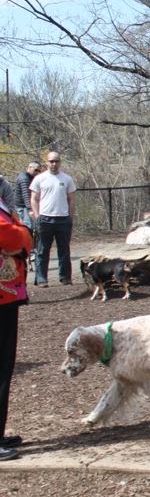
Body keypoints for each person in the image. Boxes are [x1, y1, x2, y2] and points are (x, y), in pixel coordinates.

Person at [0, 197, 31, 461]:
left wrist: (22, 236)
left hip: (7, 294)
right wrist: (22, 236)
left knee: (4, 369)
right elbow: (14, 238)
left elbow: (24, 236)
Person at [29, 150, 76, 286]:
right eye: (51, 161)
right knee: (43, 250)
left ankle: (65, 277)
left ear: (60, 162)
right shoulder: (39, 179)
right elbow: (34, 199)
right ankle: (41, 278)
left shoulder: (67, 179)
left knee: (64, 250)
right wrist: (37, 216)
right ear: (46, 162)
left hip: (63, 219)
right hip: (45, 219)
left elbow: (71, 200)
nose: (54, 164)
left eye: (56, 161)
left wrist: (69, 217)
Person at [16, 161, 39, 233]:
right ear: (29, 168)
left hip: (26, 207)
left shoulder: (30, 178)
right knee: (27, 227)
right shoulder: (24, 179)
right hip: (23, 207)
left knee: (31, 228)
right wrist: (30, 210)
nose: (37, 172)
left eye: (39, 170)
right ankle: (26, 244)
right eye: (36, 170)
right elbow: (26, 195)